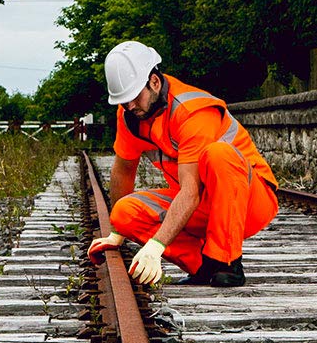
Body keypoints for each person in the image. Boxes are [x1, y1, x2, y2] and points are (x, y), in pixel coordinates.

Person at [87, 40, 279, 288]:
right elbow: (123, 169)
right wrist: (117, 233)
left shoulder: (191, 111)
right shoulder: (131, 115)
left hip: (249, 202)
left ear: (154, 82)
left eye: (134, 97)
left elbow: (190, 192)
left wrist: (156, 245)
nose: (130, 105)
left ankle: (227, 262)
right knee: (124, 213)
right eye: (124, 101)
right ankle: (203, 266)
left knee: (219, 154)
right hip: (201, 205)